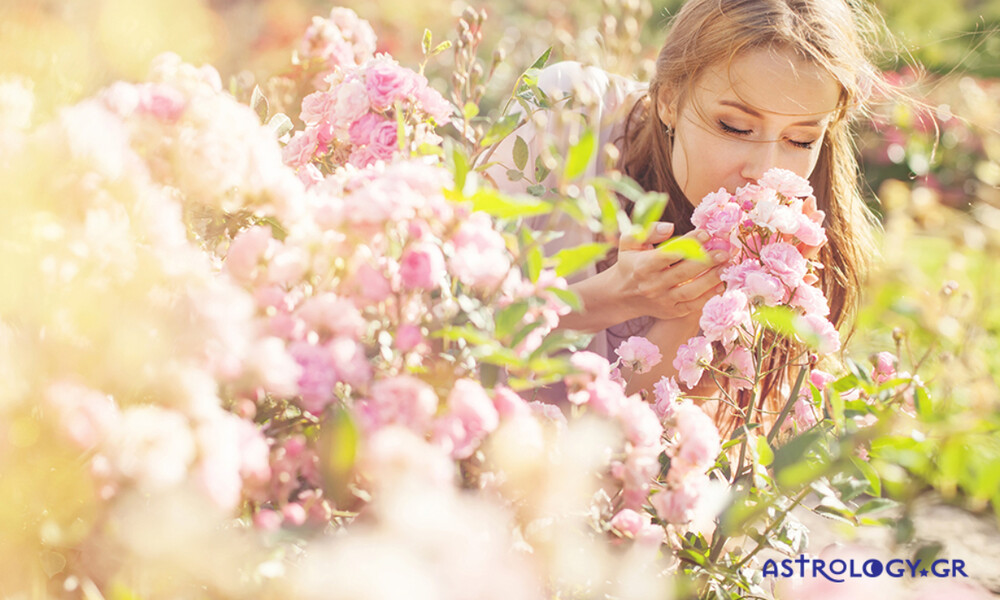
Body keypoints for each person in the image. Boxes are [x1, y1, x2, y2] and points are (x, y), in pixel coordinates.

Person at [489, 0, 884, 436]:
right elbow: (446, 331)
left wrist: (700, 305)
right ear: (670, 100)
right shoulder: (567, 112)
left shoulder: (785, 247)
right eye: (735, 127)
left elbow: (621, 438)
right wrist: (613, 295)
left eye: (801, 139)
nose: (764, 169)